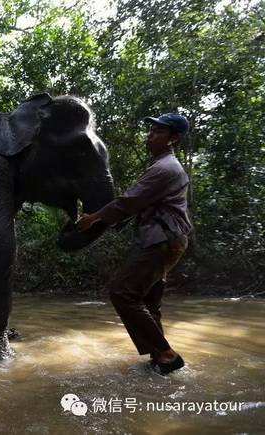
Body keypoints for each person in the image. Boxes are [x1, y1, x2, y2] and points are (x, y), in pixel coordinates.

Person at [77, 113, 192, 375]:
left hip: (162, 240)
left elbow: (128, 202)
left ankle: (166, 354)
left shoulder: (165, 169)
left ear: (173, 139)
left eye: (158, 132)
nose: (150, 136)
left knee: (122, 293)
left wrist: (94, 218)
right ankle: (159, 361)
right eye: (150, 130)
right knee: (149, 301)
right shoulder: (162, 166)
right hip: (164, 239)